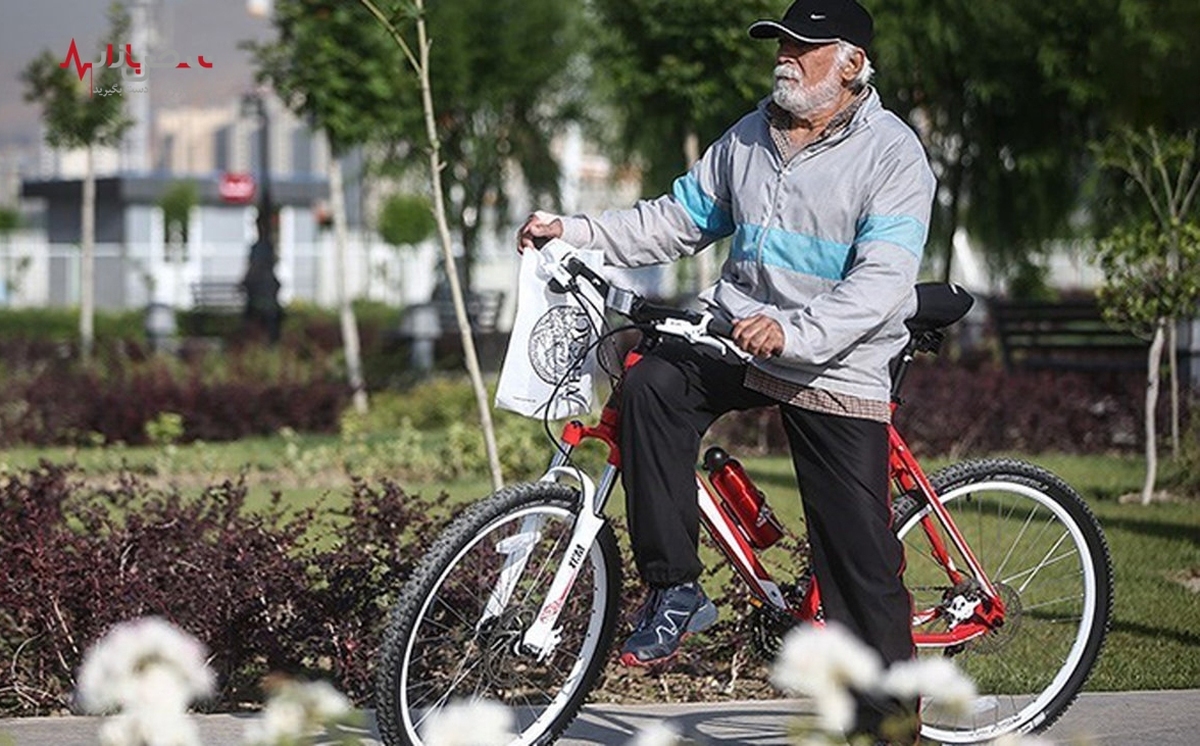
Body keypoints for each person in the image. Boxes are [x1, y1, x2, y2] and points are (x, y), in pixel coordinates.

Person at [518, 0, 932, 741]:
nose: (786, 57)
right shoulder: (748, 136)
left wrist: (795, 330)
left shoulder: (893, 154)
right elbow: (672, 221)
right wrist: (572, 228)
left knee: (857, 558)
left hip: (836, 357)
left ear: (852, 63)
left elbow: (882, 282)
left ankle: (887, 727)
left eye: (806, 47)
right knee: (650, 385)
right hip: (738, 335)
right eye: (781, 43)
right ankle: (676, 588)